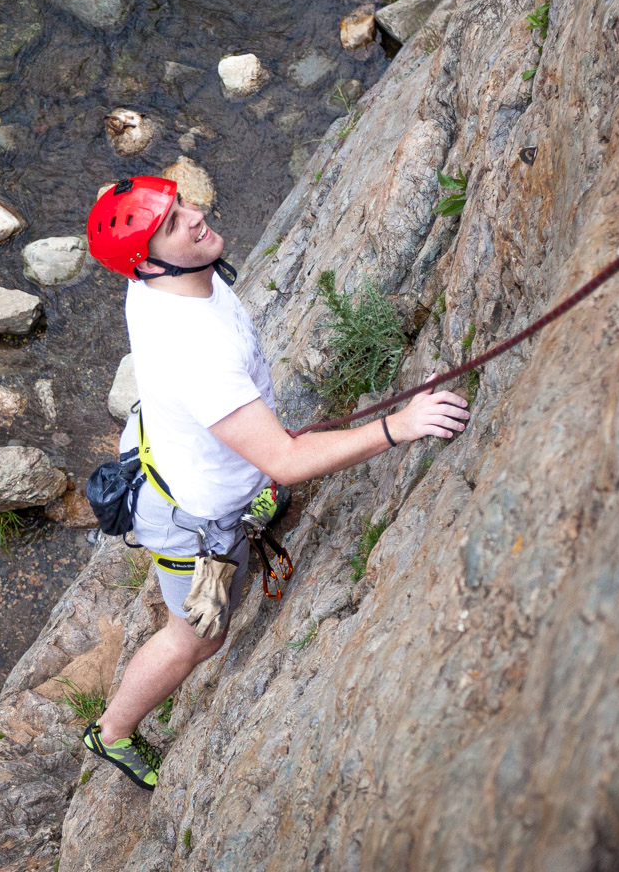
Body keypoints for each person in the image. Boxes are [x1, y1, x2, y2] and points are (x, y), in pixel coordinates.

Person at [80, 175, 471, 791]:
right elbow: (286, 460)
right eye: (172, 223)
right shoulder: (195, 351)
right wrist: (398, 426)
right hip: (190, 519)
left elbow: (116, 205)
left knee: (258, 475)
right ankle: (111, 733)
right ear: (148, 262)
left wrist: (140, 211)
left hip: (171, 450)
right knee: (197, 640)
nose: (195, 215)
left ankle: (250, 500)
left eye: (181, 203)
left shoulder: (152, 280)